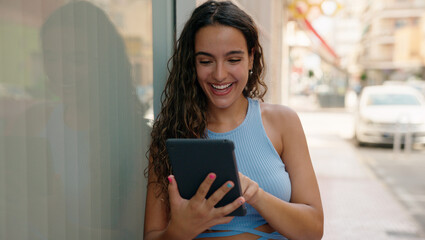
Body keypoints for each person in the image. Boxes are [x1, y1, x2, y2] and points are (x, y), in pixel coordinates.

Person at [144, 1, 323, 239]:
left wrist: (256, 195)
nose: (219, 74)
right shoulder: (171, 135)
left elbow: (313, 229)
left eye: (233, 59)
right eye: (206, 61)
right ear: (192, 64)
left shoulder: (283, 122)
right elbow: (151, 235)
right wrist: (180, 229)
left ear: (251, 58)